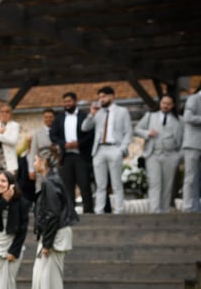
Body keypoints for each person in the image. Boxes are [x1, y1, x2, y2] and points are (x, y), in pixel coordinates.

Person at [29, 145, 78, 289]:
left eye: (35, 160)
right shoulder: (51, 181)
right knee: (43, 281)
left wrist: (47, 244)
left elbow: (52, 215)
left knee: (51, 282)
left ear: (43, 162)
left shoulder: (51, 182)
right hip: (52, 236)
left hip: (55, 238)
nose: (34, 163)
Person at [81, 86, 133, 214]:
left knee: (116, 183)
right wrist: (91, 114)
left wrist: (122, 149)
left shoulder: (122, 111)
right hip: (99, 150)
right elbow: (84, 128)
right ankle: (99, 211)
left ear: (112, 96)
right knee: (100, 184)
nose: (101, 100)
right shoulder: (98, 112)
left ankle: (119, 210)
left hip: (115, 147)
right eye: (99, 97)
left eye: (103, 97)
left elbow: (128, 132)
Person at [134, 95, 184, 213]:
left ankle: (164, 210)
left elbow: (184, 140)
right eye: (163, 103)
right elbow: (136, 129)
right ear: (160, 103)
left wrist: (178, 156)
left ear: (172, 105)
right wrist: (147, 133)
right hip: (153, 154)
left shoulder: (179, 120)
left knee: (167, 184)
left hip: (170, 155)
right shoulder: (150, 116)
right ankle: (154, 210)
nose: (165, 106)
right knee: (155, 182)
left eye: (168, 104)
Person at [50, 92, 94, 213]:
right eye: (65, 102)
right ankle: (69, 212)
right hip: (66, 157)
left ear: (75, 101)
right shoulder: (59, 118)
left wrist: (79, 143)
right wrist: (63, 144)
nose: (67, 104)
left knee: (84, 184)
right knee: (67, 186)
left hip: (81, 155)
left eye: (69, 101)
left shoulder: (84, 116)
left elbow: (91, 134)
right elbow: (53, 135)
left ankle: (88, 211)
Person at [182, 85, 201, 212]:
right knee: (191, 177)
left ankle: (197, 207)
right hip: (193, 144)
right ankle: (189, 208)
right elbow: (187, 117)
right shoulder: (194, 99)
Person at [28, 109, 55, 194]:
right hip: (42, 165)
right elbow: (33, 151)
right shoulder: (37, 133)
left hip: (55, 165)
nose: (48, 119)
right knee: (41, 188)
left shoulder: (59, 131)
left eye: (50, 117)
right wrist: (31, 169)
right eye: (46, 117)